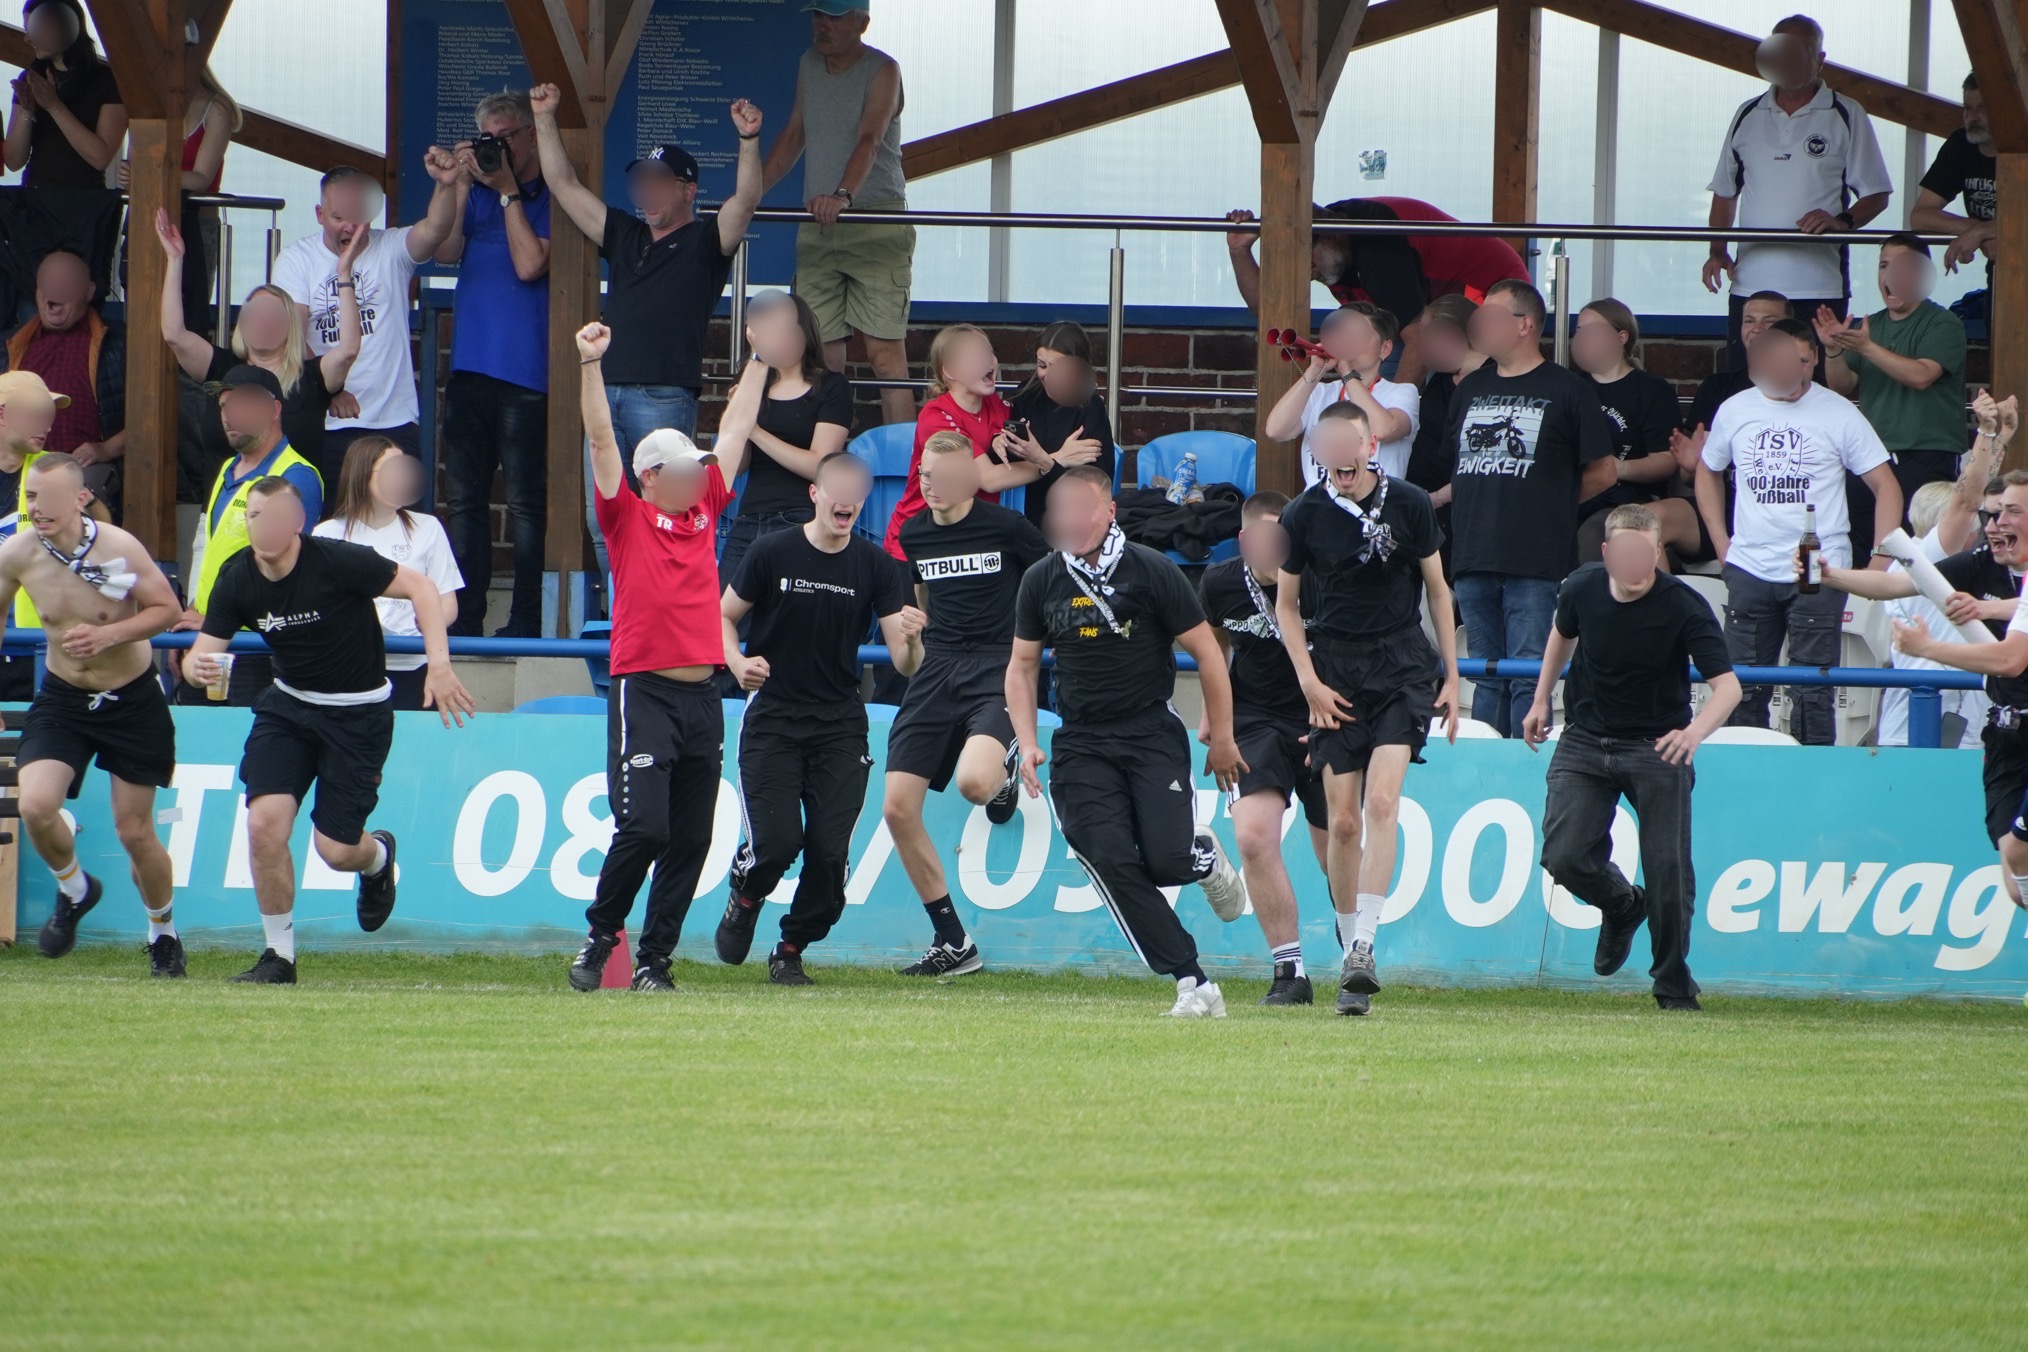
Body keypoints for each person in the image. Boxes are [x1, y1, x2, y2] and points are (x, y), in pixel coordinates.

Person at [187, 478, 475, 984]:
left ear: (297, 523)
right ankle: (279, 956)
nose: (266, 528)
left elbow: (423, 589)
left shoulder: (339, 560)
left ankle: (377, 858)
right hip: (287, 709)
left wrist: (440, 665)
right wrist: (198, 669)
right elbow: (200, 654)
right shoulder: (237, 577)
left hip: (358, 715)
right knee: (264, 825)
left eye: (276, 517)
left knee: (336, 851)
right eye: (256, 517)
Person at [1006, 465, 1250, 1018]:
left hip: (1148, 731)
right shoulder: (1042, 578)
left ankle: (1201, 853)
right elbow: (1020, 668)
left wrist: (1223, 736)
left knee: (1166, 861)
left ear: (1109, 510)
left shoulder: (1151, 570)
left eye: (1082, 509)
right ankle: (1192, 980)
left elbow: (1209, 655)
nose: (1071, 521)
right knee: (1108, 856)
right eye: (1061, 512)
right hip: (1080, 741)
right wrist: (1027, 740)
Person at [569, 321, 748, 994]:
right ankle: (601, 935)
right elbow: (599, 439)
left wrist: (760, 358)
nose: (699, 478)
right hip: (643, 689)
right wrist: (591, 365)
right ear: (651, 478)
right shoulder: (626, 515)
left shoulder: (705, 511)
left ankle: (656, 961)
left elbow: (734, 430)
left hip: (703, 696)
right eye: (683, 470)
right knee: (643, 824)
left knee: (692, 840)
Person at [530, 83, 761, 579]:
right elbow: (564, 184)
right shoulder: (625, 232)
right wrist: (544, 118)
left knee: (669, 514)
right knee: (604, 519)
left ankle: (660, 619)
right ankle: (624, 626)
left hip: (662, 394)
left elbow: (745, 201)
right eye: (643, 182)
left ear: (688, 190)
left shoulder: (705, 239)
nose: (648, 192)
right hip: (605, 389)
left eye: (661, 182)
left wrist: (747, 140)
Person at [716, 451, 926, 987]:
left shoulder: (876, 565)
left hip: (839, 722)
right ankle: (746, 891)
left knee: (830, 854)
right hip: (773, 718)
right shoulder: (770, 551)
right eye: (837, 489)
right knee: (778, 843)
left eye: (857, 493)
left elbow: (905, 662)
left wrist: (913, 637)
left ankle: (790, 947)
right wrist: (737, 662)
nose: (848, 501)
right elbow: (722, 615)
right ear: (815, 492)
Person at [1276, 402, 1459, 1015]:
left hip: (1402, 664)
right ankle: (1348, 929)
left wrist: (1451, 676)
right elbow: (1287, 607)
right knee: (1343, 821)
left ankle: (1363, 947)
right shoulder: (1303, 513)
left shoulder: (1408, 503)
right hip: (1335, 668)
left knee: (1383, 802)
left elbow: (1437, 589)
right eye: (1326, 446)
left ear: (1370, 445)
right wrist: (1308, 681)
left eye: (1348, 445)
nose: (1339, 457)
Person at [1523, 503, 1743, 1012]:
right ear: (1606, 552)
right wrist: (1540, 698)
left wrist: (1693, 734)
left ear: (1656, 552)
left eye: (1643, 553)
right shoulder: (1581, 587)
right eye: (1622, 552)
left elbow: (1727, 688)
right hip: (1584, 738)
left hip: (1658, 746)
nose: (1632, 562)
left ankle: (1672, 983)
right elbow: (1563, 630)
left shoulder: (1684, 605)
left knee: (1667, 868)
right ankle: (1622, 904)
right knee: (1563, 855)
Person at [0, 454, 182, 976]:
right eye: (31, 497)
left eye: (49, 498)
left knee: (135, 833)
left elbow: (166, 609)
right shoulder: (18, 553)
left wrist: (108, 634)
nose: (38, 508)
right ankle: (75, 889)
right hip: (63, 698)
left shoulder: (118, 546)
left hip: (132, 698)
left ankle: (162, 932)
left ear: (80, 499)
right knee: (34, 804)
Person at [882, 430, 1050, 976]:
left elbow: (1051, 582)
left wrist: (1034, 653)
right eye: (925, 475)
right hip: (936, 669)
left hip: (997, 667)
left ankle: (1001, 782)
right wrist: (912, 637)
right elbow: (918, 629)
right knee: (897, 808)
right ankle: (953, 942)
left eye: (944, 476)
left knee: (974, 784)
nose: (931, 486)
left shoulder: (1007, 528)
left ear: (972, 480)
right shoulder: (914, 534)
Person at [1694, 317, 1900, 744]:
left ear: (1810, 361)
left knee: (1811, 687)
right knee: (1743, 686)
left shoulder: (1839, 411)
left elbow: (1887, 486)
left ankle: (1810, 782)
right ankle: (1748, 774)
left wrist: (1880, 560)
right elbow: (1706, 470)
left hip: (1818, 569)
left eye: (1802, 360)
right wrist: (1721, 542)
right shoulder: (1735, 408)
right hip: (1749, 567)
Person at [1446, 279, 1617, 736]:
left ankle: (1522, 768)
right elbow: (1461, 464)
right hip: (1472, 554)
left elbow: (1604, 471)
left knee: (1527, 674)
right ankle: (1484, 772)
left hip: (1535, 559)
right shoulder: (1469, 388)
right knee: (1484, 676)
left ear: (1524, 326)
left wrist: (1551, 503)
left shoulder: (1568, 390)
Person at [1198, 491, 1330, 1006]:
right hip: (1253, 721)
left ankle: (1354, 940)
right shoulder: (1220, 581)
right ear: (1244, 539)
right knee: (1252, 837)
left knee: (1334, 852)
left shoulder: (1320, 578)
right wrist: (1215, 717)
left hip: (1324, 718)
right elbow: (1212, 643)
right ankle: (1289, 971)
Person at [1703, 15, 1892, 368]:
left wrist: (1842, 220)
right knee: (1747, 381)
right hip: (1750, 287)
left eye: (1798, 53)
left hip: (1818, 287)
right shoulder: (1747, 114)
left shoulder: (1846, 113)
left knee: (1813, 385)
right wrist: (1717, 250)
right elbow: (1725, 192)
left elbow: (1877, 193)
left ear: (1819, 59)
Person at [761, 0, 915, 428]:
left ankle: (908, 479)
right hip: (818, 222)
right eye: (817, 15)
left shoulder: (884, 69)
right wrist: (749, 193)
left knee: (885, 356)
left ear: (862, 23)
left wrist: (842, 195)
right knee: (820, 357)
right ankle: (826, 467)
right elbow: (794, 134)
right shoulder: (808, 63)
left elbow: (870, 137)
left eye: (833, 16)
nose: (822, 25)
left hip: (875, 220)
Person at [1883, 472, 2028, 911]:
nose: (1998, 523)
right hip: (2004, 733)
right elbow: (1891, 585)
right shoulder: (1974, 568)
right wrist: (1830, 576)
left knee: (2019, 854)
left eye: (2012, 512)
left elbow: (2009, 659)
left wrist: (1929, 646)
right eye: (1996, 513)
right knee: (2014, 873)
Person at [271, 160, 463, 489]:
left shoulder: (390, 247)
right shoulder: (296, 259)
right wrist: (326, 390)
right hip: (325, 422)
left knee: (398, 525)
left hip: (393, 420)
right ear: (319, 215)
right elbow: (291, 336)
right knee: (328, 528)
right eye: (338, 217)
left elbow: (435, 230)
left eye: (357, 216)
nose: (349, 227)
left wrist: (446, 186)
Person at [438, 89, 552, 640]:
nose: (495, 149)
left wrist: (509, 194)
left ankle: (526, 620)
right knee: (464, 503)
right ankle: (467, 620)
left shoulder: (546, 193)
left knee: (527, 505)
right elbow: (443, 251)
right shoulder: (477, 189)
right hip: (468, 370)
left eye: (504, 138)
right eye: (487, 140)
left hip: (527, 375)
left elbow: (531, 265)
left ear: (531, 135)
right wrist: (458, 185)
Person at [1225, 195, 1529, 384]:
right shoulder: (1330, 245)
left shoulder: (1378, 245)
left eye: (1309, 261)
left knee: (1451, 392)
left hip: (1489, 295)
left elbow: (1419, 339)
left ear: (1333, 237)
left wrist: (1396, 413)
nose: (1307, 274)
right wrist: (1239, 251)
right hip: (1429, 311)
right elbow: (1266, 311)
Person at [157, 208, 362, 481]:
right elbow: (174, 334)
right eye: (256, 314)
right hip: (224, 513)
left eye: (275, 316)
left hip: (292, 515)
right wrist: (174, 260)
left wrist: (344, 274)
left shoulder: (312, 377)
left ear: (291, 326)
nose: (264, 322)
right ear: (241, 323)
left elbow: (348, 349)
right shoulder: (223, 369)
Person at [175, 364, 324, 705]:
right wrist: (193, 618)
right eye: (225, 406)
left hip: (254, 647)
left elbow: (289, 569)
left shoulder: (295, 475)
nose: (229, 415)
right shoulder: (229, 468)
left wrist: (209, 622)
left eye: (241, 404)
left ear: (274, 410)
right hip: (213, 637)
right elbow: (213, 552)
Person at [881, 324, 1063, 557]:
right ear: (950, 371)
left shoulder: (1000, 408)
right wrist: (1053, 462)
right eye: (975, 355)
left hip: (972, 543)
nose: (988, 360)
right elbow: (985, 479)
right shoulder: (936, 416)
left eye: (989, 352)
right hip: (916, 544)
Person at [1816, 235, 1969, 511]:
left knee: (1917, 548)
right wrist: (1832, 349)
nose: (1891, 274)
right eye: (1884, 265)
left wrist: (1866, 347)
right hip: (1871, 455)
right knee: (1866, 544)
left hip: (1927, 455)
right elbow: (1841, 385)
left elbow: (1922, 375)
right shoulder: (1869, 325)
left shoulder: (1944, 323)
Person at [715, 289, 853, 589]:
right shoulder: (752, 382)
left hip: (801, 518)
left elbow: (820, 466)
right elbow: (736, 466)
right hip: (749, 518)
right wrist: (735, 426)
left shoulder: (831, 386)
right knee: (722, 619)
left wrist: (754, 431)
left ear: (805, 333)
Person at [312, 437, 462, 712]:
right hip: (349, 668)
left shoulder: (427, 528)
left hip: (414, 665)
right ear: (361, 474)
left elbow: (447, 600)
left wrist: (430, 619)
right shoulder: (325, 534)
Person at [1568, 298, 1702, 566]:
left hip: (1627, 499)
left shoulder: (1651, 391)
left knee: (1594, 532)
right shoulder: (1570, 388)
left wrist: (1619, 469)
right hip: (1572, 496)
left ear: (1621, 337)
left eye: (1592, 330)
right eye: (1579, 330)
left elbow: (1666, 460)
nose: (1583, 338)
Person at [1, 248, 125, 510]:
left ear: (88, 291)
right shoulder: (10, 343)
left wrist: (106, 449)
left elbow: (150, 420)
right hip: (18, 466)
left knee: (72, 507)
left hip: (84, 467)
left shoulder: (118, 344)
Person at [1263, 302, 1420, 485]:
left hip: (1375, 509)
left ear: (1384, 349)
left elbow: (1385, 430)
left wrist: (1347, 372)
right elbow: (1276, 431)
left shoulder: (1403, 392)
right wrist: (1315, 370)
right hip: (1320, 508)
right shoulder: (1319, 391)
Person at [3, 0, 123, 191]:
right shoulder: (31, 78)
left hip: (83, 208)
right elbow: (13, 161)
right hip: (34, 201)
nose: (28, 38)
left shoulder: (105, 80)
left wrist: (54, 106)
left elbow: (100, 158)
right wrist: (26, 112)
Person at [1004, 320, 1113, 527]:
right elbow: (1007, 465)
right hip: (1024, 514)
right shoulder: (1025, 395)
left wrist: (1042, 460)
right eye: (1042, 365)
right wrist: (1060, 459)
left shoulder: (1091, 408)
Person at [1405, 293, 1483, 575]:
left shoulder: (1491, 384)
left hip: (1458, 510)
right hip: (1423, 507)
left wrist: (1436, 498)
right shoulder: (1441, 378)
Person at [1912, 73, 1997, 287]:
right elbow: (1920, 216)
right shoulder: (1960, 144)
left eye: (1982, 108)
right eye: (1967, 108)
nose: (1972, 117)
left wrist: (1981, 232)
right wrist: (1980, 231)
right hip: (2001, 272)